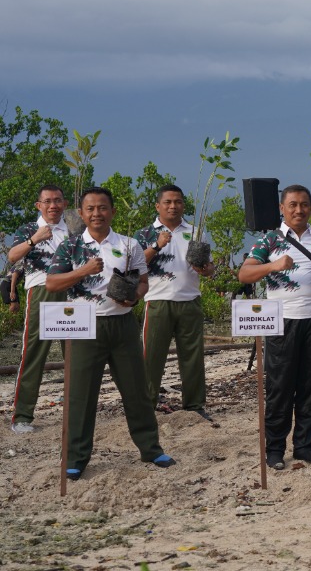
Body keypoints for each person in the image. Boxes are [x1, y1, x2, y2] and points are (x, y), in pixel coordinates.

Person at [45, 187, 175, 479]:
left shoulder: (129, 245)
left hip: (122, 324)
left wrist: (135, 297)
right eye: (90, 209)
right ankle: (76, 457)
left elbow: (142, 282)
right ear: (81, 213)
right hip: (82, 325)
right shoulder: (71, 247)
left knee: (136, 390)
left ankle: (151, 449)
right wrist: (84, 270)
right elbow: (52, 283)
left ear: (112, 211)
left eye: (102, 208)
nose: (96, 214)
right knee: (80, 395)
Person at [237, 185, 311, 468]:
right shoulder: (270, 240)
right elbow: (244, 273)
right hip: (281, 321)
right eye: (293, 204)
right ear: (282, 208)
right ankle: (275, 449)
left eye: (304, 204)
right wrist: (273, 266)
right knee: (280, 386)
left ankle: (305, 444)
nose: (299, 210)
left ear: (310, 208)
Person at [134, 185, 216, 416]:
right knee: (151, 357)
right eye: (168, 202)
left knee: (193, 356)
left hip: (190, 299)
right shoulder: (145, 233)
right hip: (158, 301)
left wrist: (208, 270)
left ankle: (194, 406)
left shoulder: (196, 231)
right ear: (157, 206)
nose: (173, 206)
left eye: (178, 202)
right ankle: (146, 405)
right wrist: (157, 245)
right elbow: (135, 264)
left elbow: (208, 268)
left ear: (183, 205)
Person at [7, 185, 69, 434]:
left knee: (77, 353)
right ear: (39, 205)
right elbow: (12, 256)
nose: (53, 205)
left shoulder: (75, 228)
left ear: (64, 204)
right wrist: (34, 240)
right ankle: (22, 416)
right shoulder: (29, 229)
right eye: (48, 201)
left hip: (73, 294)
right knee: (33, 354)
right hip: (41, 291)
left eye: (57, 201)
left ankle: (76, 409)